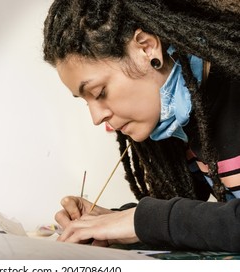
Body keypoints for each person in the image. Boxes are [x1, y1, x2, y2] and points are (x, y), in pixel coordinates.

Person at [42, 0, 240, 252]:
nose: (96, 117)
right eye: (85, 101)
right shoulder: (180, 120)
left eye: (99, 92)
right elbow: (197, 218)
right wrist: (108, 221)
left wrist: (141, 221)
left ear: (146, 49)